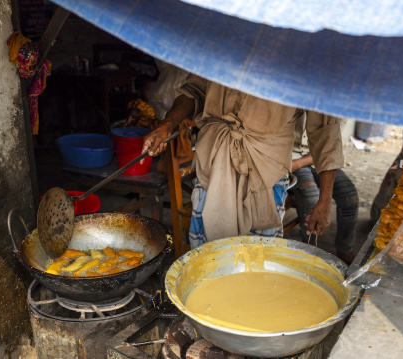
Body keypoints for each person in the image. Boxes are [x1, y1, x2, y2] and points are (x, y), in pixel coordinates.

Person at [142, 74, 344, 248]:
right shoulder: (224, 37)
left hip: (267, 169)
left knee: (258, 259)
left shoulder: (302, 53)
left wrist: (325, 200)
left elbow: (325, 130)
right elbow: (194, 89)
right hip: (214, 159)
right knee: (206, 258)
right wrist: (168, 124)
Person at [291, 112, 358, 264]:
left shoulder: (333, 109)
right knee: (311, 198)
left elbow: (330, 148)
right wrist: (294, 164)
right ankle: (309, 252)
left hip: (316, 161)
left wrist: (298, 163)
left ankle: (345, 249)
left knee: (349, 196)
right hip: (290, 159)